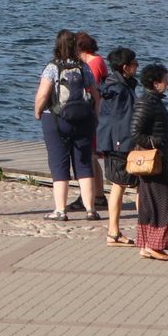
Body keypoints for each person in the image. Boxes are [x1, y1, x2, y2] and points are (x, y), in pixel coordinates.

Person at [34, 31, 98, 220]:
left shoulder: (52, 68)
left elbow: (43, 95)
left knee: (59, 164)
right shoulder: (83, 67)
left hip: (56, 119)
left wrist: (38, 112)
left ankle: (60, 210)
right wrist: (95, 116)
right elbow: (95, 95)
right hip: (83, 120)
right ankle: (90, 209)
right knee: (84, 164)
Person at [129, 62, 168, 261]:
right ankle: (155, 245)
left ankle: (145, 244)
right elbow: (135, 133)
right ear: (156, 83)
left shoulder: (153, 101)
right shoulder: (147, 103)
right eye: (165, 80)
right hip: (152, 160)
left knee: (149, 203)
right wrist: (158, 143)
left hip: (156, 159)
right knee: (167, 202)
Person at [95, 47, 139, 246]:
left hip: (111, 141)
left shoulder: (111, 85)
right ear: (125, 67)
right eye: (134, 64)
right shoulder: (121, 89)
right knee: (124, 186)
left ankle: (118, 231)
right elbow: (126, 119)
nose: (137, 67)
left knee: (122, 186)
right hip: (120, 143)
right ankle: (116, 231)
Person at [75, 32, 109, 208]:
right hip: (98, 113)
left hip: (94, 114)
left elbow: (91, 90)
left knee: (88, 155)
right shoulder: (97, 61)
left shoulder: (93, 64)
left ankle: (91, 195)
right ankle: (98, 195)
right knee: (91, 155)